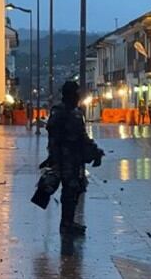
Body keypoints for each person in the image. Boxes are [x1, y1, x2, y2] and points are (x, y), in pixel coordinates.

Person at [46, 81, 104, 235]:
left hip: (69, 158)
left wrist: (95, 151)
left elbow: (80, 137)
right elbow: (70, 137)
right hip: (67, 159)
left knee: (75, 189)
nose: (78, 97)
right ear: (70, 95)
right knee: (70, 190)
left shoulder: (68, 112)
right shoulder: (66, 113)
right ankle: (66, 224)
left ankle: (68, 222)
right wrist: (96, 152)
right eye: (76, 94)